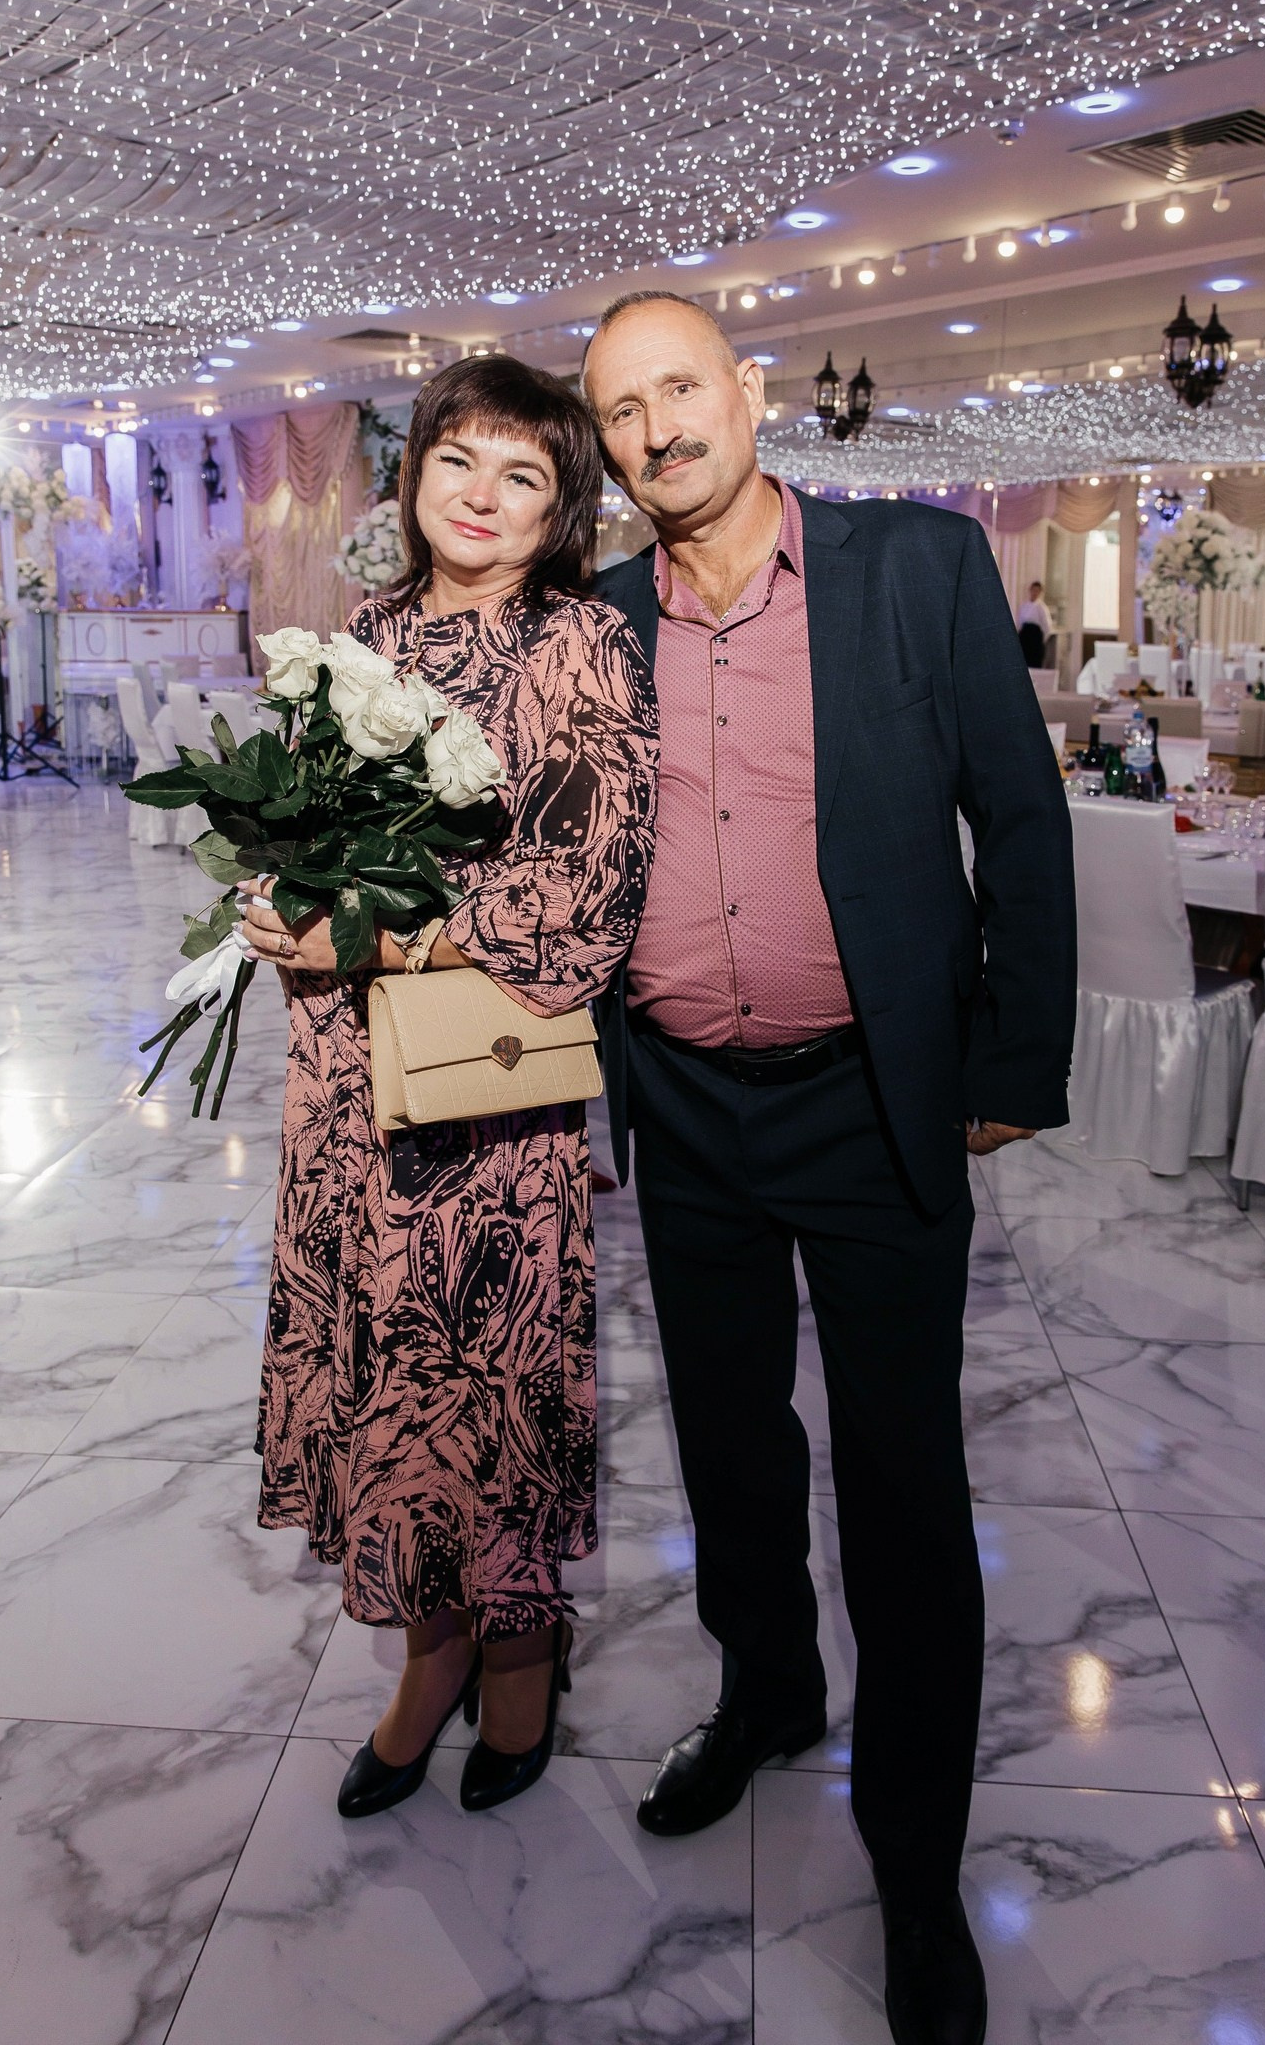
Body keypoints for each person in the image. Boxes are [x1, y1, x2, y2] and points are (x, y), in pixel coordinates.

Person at [583, 293, 1075, 2045]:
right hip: (685, 1106)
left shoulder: (914, 568)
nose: (657, 429)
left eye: (679, 389)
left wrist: (1010, 1060)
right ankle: (770, 1691)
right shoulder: (600, 619)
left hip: (874, 1101)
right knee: (728, 1448)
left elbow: (1019, 814)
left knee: (902, 1486)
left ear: (748, 391)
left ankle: (916, 1869)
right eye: (622, 410)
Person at [240, 356, 658, 1819]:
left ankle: (518, 1651)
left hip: (485, 1095)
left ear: (562, 508)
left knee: (478, 1377)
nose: (482, 497)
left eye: (522, 474)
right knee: (383, 1375)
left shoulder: (578, 642)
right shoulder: (363, 635)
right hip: (345, 1083)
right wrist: (276, 896)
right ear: (414, 473)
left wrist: (385, 932)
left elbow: (590, 891)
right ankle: (437, 1652)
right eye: (458, 462)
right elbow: (313, 832)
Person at [1017, 578, 1053, 669]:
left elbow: (1047, 626)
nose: (1035, 593)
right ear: (1030, 590)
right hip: (1024, 636)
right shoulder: (1024, 606)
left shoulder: (1042, 608)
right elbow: (1020, 622)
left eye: (1037, 591)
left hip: (1035, 637)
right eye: (1033, 590)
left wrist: (1040, 641)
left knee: (1034, 662)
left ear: (1040, 592)